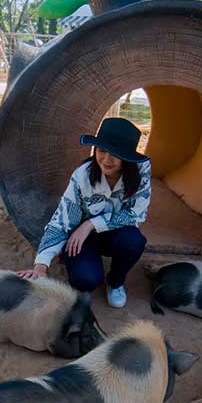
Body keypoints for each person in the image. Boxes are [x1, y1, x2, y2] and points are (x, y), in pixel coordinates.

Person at [17, 117, 151, 308]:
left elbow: (136, 214)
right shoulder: (82, 175)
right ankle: (83, 261)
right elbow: (61, 220)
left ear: (127, 158)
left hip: (116, 232)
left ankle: (115, 282)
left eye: (115, 154)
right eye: (102, 150)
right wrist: (41, 265)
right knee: (85, 280)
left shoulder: (141, 171)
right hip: (81, 236)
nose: (106, 159)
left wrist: (90, 224)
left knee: (133, 241)